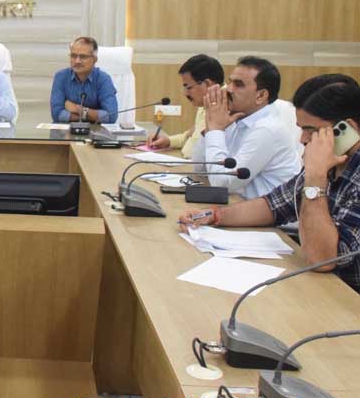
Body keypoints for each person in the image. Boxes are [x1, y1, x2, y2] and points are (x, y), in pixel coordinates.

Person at [180, 77, 360, 294]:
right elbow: (273, 205)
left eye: (311, 130)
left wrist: (315, 179)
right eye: (301, 129)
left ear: (347, 129)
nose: (303, 139)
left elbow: (322, 260)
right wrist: (215, 215)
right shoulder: (329, 163)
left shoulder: (323, 168)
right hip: (324, 288)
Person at [191, 56, 301, 199]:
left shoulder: (267, 129)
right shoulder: (236, 118)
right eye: (230, 82)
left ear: (261, 96)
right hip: (238, 204)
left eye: (238, 84)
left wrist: (216, 129)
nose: (229, 89)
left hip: (266, 212)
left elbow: (223, 183)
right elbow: (200, 168)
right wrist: (210, 125)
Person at [148, 54, 224, 157]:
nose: (185, 93)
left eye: (188, 87)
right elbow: (191, 135)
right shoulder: (207, 101)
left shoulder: (225, 108)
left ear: (207, 84)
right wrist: (168, 141)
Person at [49, 37, 118, 124]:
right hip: (67, 131)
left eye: (83, 57)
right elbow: (57, 114)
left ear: (94, 60)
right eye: (73, 56)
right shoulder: (61, 77)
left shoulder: (103, 79)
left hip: (96, 131)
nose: (77, 61)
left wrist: (78, 109)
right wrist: (90, 116)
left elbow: (111, 116)